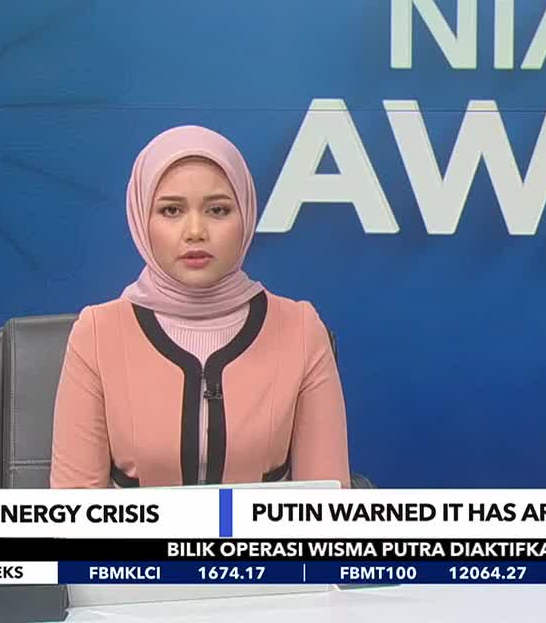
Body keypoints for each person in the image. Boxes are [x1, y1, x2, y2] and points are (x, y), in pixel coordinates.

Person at [49, 125, 350, 489]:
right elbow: (74, 513)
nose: (195, 231)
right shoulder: (96, 334)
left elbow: (326, 512)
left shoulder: (301, 329)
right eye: (172, 210)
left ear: (246, 217)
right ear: (142, 218)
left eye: (218, 210)